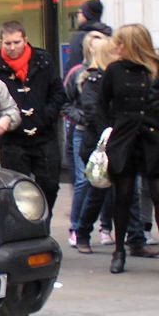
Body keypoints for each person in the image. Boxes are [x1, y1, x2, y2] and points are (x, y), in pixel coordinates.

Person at [71, 36, 153, 257]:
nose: (118, 52)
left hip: (124, 141)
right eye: (114, 49)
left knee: (130, 193)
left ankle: (134, 239)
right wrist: (109, 134)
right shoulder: (97, 78)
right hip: (102, 143)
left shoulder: (134, 74)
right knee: (98, 190)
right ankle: (83, 233)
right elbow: (94, 109)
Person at [98, 23, 159, 273]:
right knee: (122, 197)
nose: (116, 47)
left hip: (152, 139)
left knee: (157, 194)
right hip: (123, 140)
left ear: (133, 45)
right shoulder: (114, 70)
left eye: (120, 43)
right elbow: (102, 105)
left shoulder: (154, 69)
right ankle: (119, 250)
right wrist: (106, 134)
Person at [0, 21, 65, 215]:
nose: (12, 47)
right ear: (1, 42)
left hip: (44, 135)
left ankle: (43, 222)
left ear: (25, 40)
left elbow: (58, 93)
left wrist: (46, 116)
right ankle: (24, 227)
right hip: (13, 139)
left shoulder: (43, 60)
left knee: (50, 184)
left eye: (16, 42)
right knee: (17, 188)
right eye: (7, 43)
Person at [63, 30, 108, 245]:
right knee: (85, 181)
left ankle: (106, 227)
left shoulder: (111, 72)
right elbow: (65, 102)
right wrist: (80, 117)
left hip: (106, 133)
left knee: (109, 183)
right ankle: (76, 227)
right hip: (84, 131)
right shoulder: (78, 73)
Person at [67, 0, 111, 74]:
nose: (78, 15)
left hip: (85, 79)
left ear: (86, 14)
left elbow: (74, 65)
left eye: (79, 12)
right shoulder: (108, 33)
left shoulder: (79, 37)